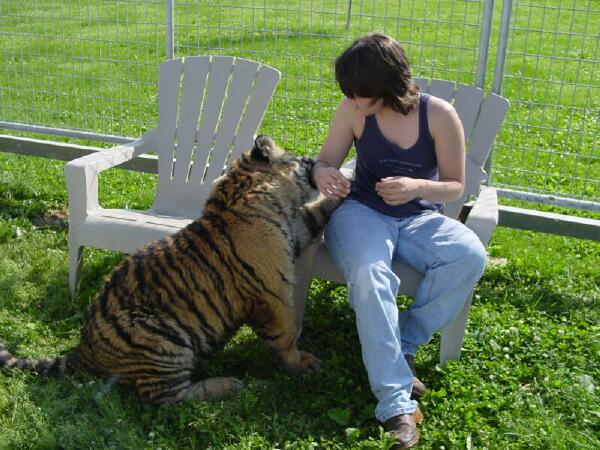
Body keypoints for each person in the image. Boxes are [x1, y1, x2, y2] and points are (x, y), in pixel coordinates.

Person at [311, 34, 487, 449]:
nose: (351, 100)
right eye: (348, 93)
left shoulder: (439, 115)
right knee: (372, 277)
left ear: (386, 84)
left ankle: (403, 342)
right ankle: (396, 406)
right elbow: (325, 161)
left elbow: (456, 186)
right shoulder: (354, 111)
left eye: (359, 93)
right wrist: (322, 174)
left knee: (469, 255)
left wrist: (415, 186)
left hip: (419, 217)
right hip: (361, 213)